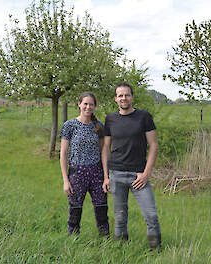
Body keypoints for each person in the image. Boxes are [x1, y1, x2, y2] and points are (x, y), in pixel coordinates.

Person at [101, 83, 161, 249]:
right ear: (115, 99)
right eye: (120, 95)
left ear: (132, 97)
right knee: (120, 218)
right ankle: (121, 251)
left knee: (151, 216)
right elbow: (106, 148)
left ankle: (155, 252)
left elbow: (154, 145)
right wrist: (106, 177)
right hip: (116, 174)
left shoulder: (144, 117)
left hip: (138, 176)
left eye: (126, 95)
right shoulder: (110, 119)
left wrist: (146, 174)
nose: (123, 98)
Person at [59, 92, 109, 236]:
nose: (88, 107)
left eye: (91, 104)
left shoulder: (99, 126)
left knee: (102, 210)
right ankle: (73, 241)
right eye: (85, 104)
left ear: (94, 106)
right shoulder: (70, 125)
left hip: (96, 173)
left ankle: (105, 240)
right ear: (79, 104)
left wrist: (106, 176)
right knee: (75, 210)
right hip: (77, 173)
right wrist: (65, 180)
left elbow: (104, 152)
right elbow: (63, 154)